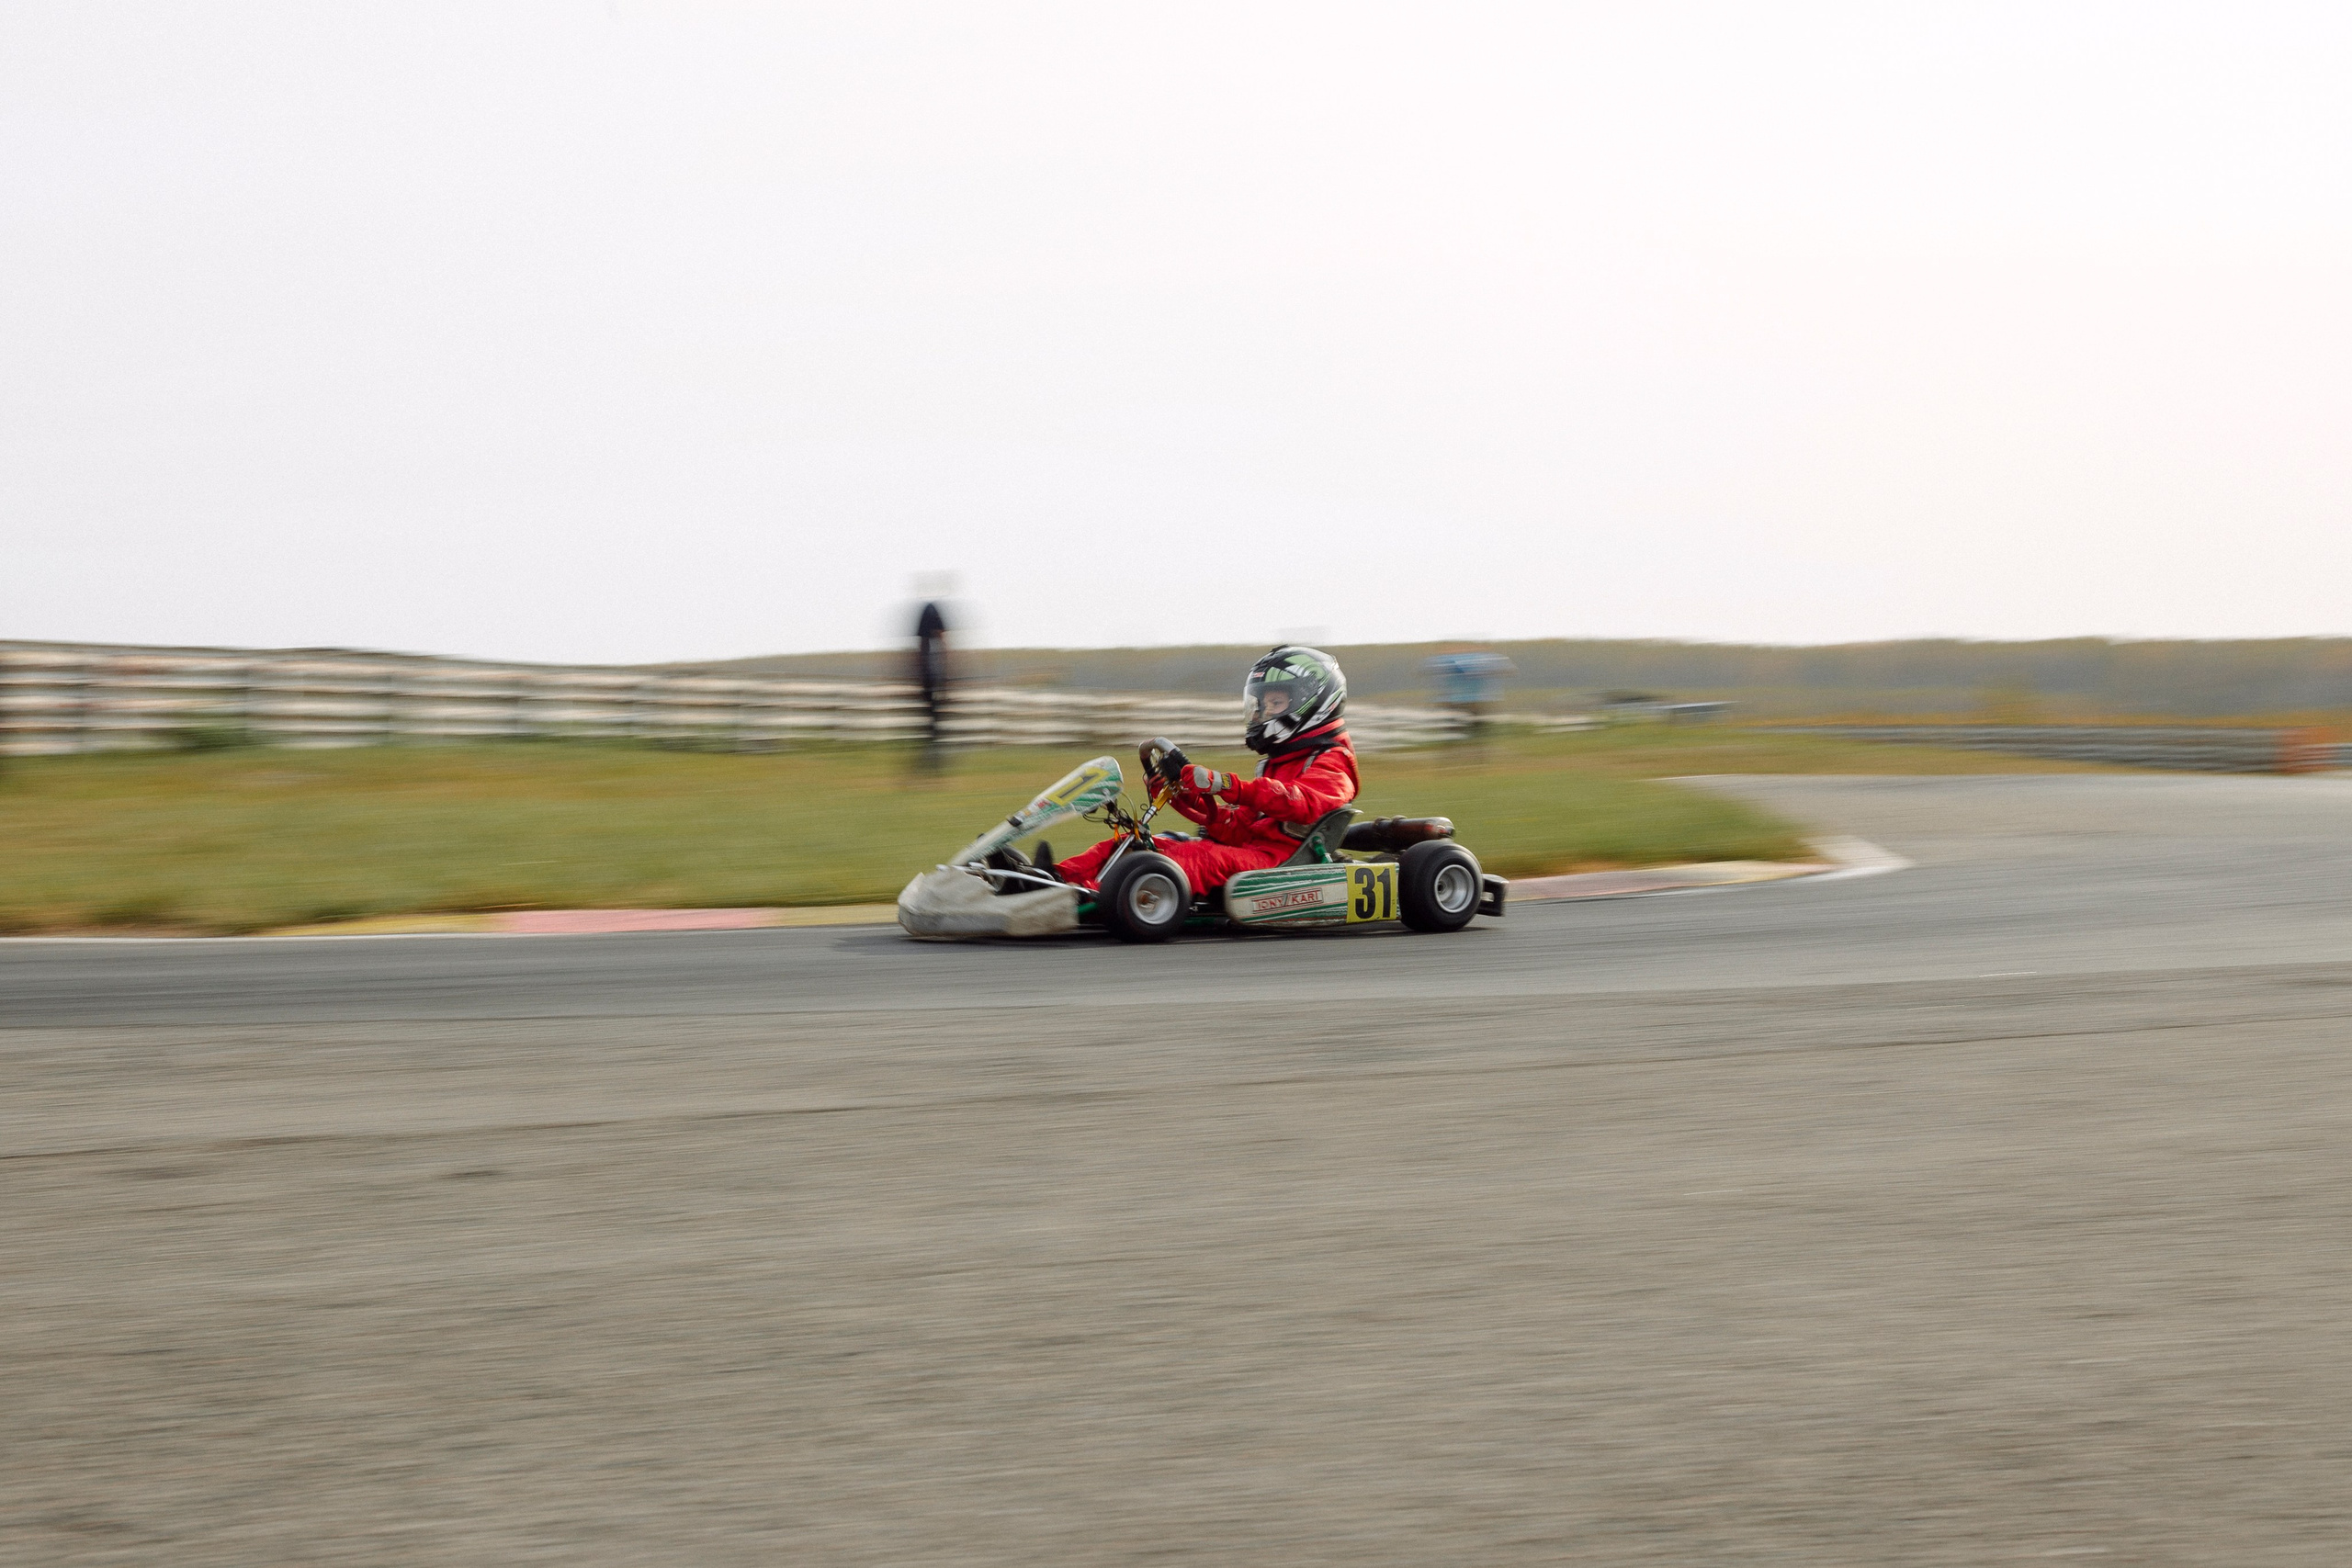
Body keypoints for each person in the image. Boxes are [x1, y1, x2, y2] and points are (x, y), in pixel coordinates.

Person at [1036, 646, 1357, 895]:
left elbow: (1300, 803)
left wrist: (1226, 784)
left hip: (1281, 864)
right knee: (1140, 844)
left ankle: (1092, 895)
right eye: (1262, 706)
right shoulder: (1275, 765)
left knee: (1197, 857)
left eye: (1275, 705)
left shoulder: (1332, 762)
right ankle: (1052, 879)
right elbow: (1237, 829)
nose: (1263, 714)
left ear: (1312, 704)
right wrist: (1188, 799)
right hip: (1250, 852)